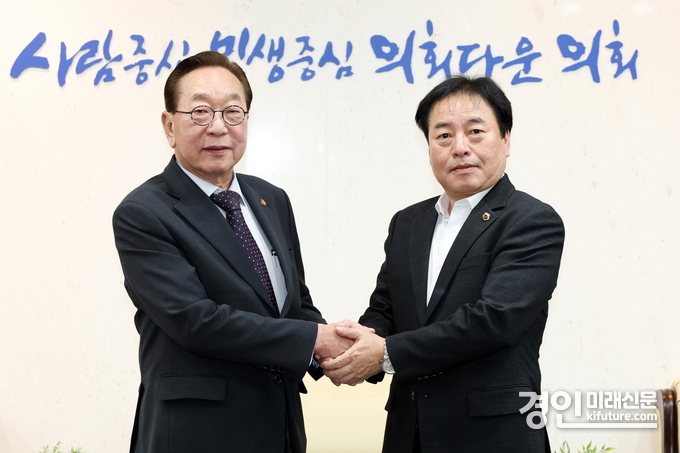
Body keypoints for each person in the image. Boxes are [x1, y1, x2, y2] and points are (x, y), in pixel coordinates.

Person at [113, 51, 351, 453]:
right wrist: (315, 339)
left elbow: (294, 304)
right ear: (169, 126)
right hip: (196, 434)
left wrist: (344, 348)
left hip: (279, 428)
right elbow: (196, 321)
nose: (219, 127)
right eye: (200, 112)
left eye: (232, 112)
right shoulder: (143, 212)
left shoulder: (271, 199)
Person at [322, 75, 565, 452]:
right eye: (444, 135)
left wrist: (384, 354)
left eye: (475, 132)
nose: (460, 147)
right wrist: (351, 344)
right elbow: (385, 310)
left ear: (506, 139)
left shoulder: (531, 220)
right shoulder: (408, 223)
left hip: (493, 436)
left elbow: (494, 321)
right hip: (409, 432)